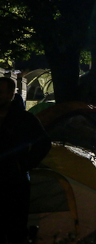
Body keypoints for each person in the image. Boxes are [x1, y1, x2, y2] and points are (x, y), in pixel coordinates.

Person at [0, 77, 52, 244]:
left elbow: (43, 143)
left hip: (15, 181)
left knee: (15, 226)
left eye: (0, 92)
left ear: (10, 94)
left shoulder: (24, 119)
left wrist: (23, 165)